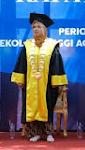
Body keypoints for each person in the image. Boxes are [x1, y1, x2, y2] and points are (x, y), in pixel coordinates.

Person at [11, 13, 68, 142]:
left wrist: (56, 81)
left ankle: (48, 133)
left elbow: (57, 64)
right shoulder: (27, 45)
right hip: (30, 83)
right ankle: (34, 133)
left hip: (47, 84)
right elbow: (22, 63)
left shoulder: (52, 45)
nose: (35, 29)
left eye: (38, 26)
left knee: (46, 106)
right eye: (33, 27)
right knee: (31, 107)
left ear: (44, 29)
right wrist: (20, 80)